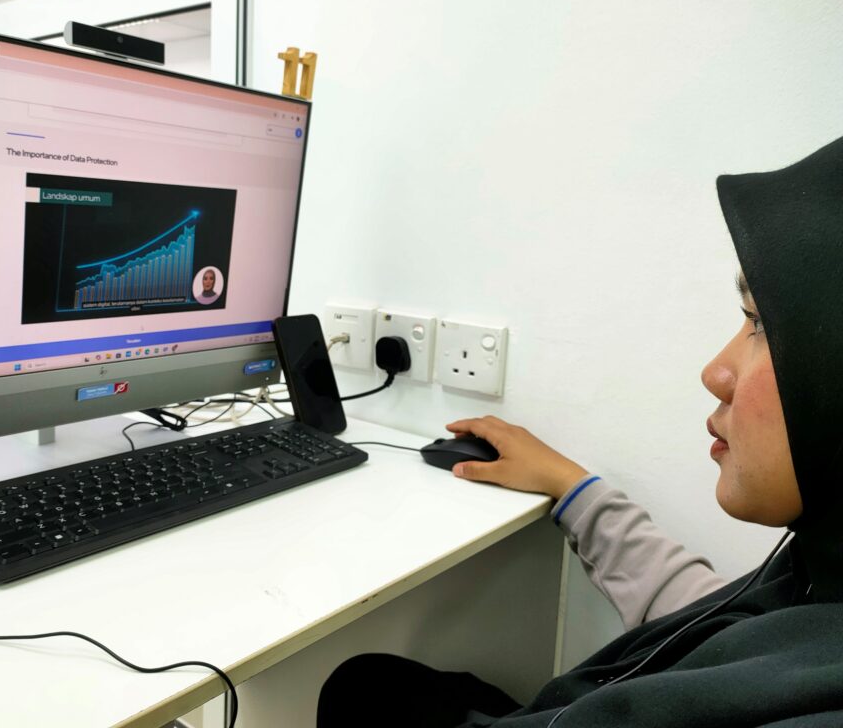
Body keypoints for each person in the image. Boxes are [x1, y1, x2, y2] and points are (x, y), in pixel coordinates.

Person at [317, 135, 843, 727]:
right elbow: (710, 617)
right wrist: (572, 488)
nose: (715, 372)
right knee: (369, 686)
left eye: (758, 323)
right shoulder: (810, 589)